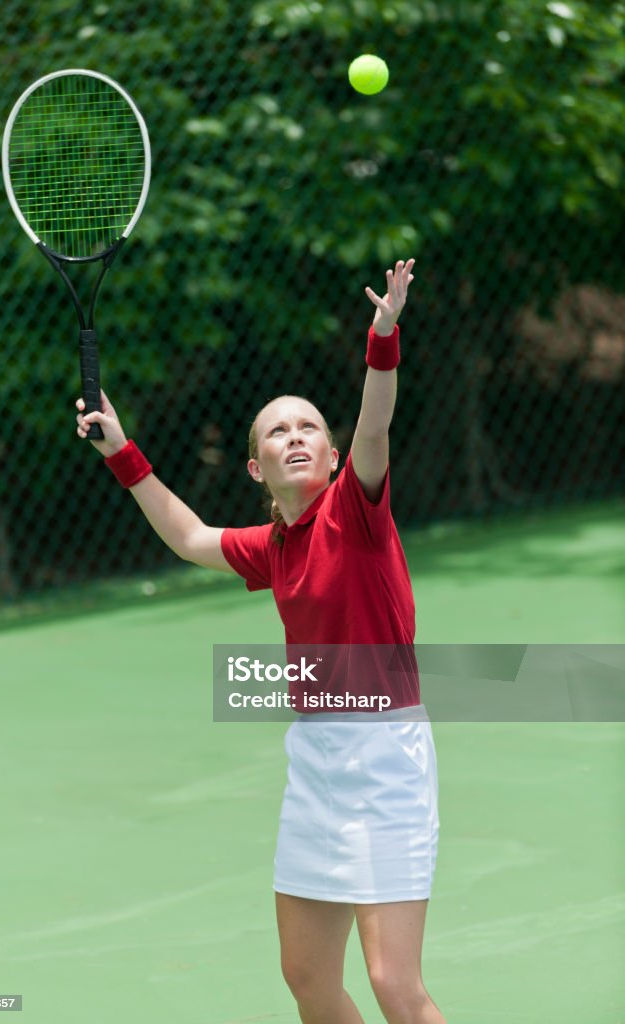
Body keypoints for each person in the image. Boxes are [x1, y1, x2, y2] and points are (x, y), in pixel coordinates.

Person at [76, 259, 445, 1024]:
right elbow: (187, 534)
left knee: (393, 985)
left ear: (334, 457)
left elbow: (375, 420)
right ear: (257, 466)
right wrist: (121, 450)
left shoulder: (358, 510)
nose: (298, 435)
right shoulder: (271, 546)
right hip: (316, 762)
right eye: (279, 430)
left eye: (310, 425)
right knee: (308, 978)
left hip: (385, 757)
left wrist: (384, 335)